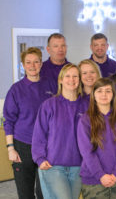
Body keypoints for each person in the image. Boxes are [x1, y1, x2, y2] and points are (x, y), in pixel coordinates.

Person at [3, 47, 55, 199]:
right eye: (28, 62)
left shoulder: (51, 86)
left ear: (41, 64)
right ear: (23, 65)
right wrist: (10, 148)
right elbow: (9, 121)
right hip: (22, 145)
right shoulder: (16, 90)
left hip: (46, 145)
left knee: (43, 192)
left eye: (36, 62)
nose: (32, 66)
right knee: (25, 193)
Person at [32, 64, 87, 199]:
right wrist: (40, 158)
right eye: (67, 76)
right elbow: (39, 134)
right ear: (60, 80)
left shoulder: (87, 105)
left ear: (79, 80)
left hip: (78, 166)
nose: (71, 79)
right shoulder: (49, 105)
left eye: (75, 76)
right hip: (53, 165)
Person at [77, 78, 116, 199]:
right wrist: (101, 175)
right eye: (100, 91)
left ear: (113, 95)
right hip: (93, 181)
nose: (104, 94)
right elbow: (87, 152)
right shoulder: (85, 120)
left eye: (108, 91)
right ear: (93, 95)